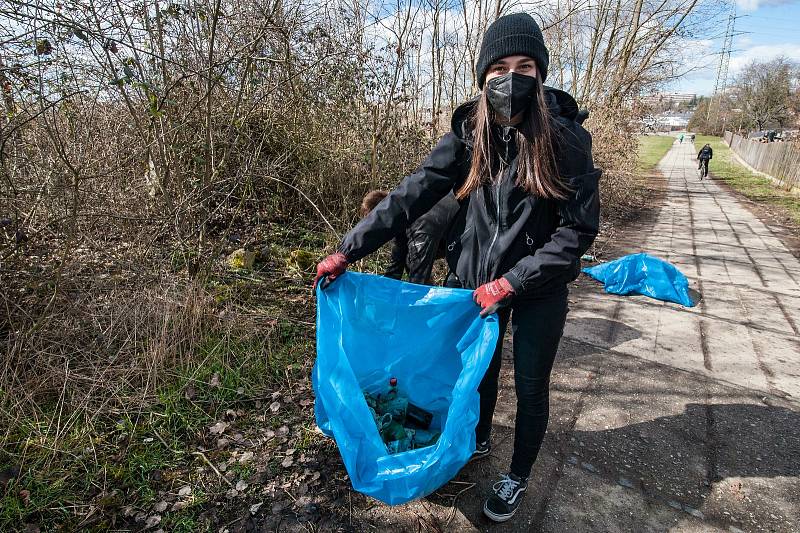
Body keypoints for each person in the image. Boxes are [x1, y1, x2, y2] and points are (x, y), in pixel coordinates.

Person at [314, 12, 600, 523]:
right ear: (483, 78)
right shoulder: (471, 133)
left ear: (541, 74)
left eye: (525, 66)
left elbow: (577, 232)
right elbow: (412, 192)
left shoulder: (567, 140)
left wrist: (513, 280)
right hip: (474, 285)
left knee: (532, 385)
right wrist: (349, 248)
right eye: (499, 69)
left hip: (537, 288)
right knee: (477, 373)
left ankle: (518, 476)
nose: (511, 79)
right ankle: (479, 435)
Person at [360, 190, 459, 284]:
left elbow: (419, 279)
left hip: (467, 241)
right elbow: (395, 269)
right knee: (409, 259)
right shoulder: (401, 223)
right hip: (452, 243)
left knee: (453, 285)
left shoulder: (419, 223)